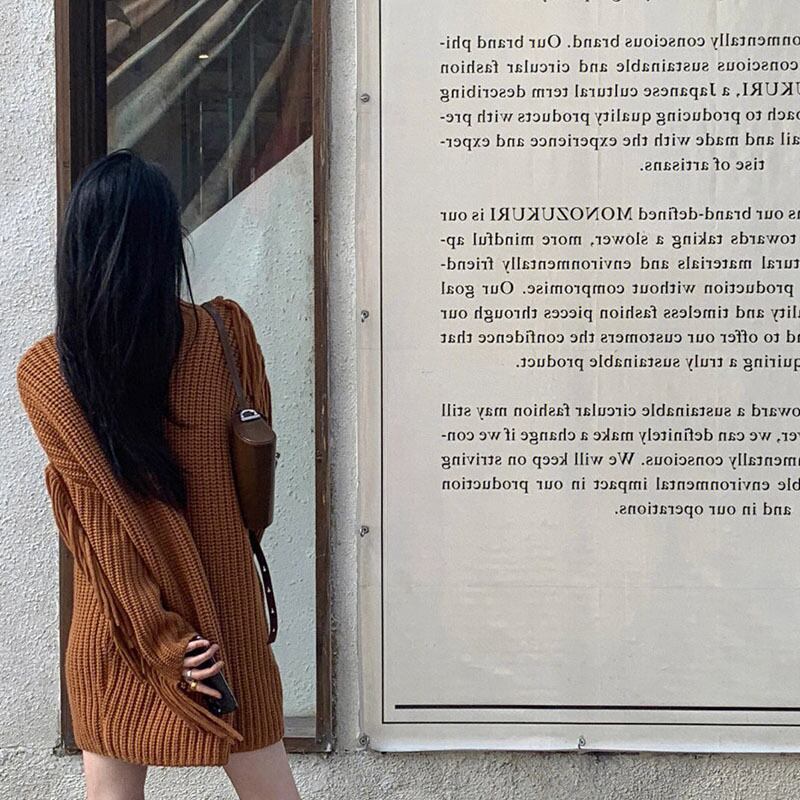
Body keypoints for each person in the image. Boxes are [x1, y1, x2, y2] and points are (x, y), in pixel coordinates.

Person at [16, 149, 302, 800]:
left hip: (120, 627)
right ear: (163, 245)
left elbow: (101, 538)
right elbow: (252, 482)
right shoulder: (225, 336)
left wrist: (162, 639)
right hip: (225, 616)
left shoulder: (49, 374)